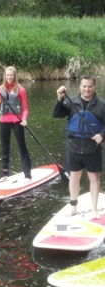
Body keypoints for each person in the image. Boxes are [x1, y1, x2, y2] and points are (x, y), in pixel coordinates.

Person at [53, 74, 105, 219]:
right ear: (80, 86)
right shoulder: (71, 101)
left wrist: (102, 134)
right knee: (74, 176)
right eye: (84, 86)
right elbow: (56, 114)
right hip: (74, 146)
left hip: (92, 147)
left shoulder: (101, 105)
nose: (87, 89)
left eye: (90, 86)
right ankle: (73, 206)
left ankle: (94, 209)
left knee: (94, 177)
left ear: (94, 87)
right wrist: (60, 98)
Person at [0, 66, 32, 183]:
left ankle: (27, 175)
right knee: (5, 148)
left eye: (11, 75)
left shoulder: (21, 90)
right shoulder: (0, 89)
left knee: (22, 147)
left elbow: (25, 109)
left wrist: (24, 119)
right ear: (5, 76)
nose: (9, 77)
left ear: (15, 76)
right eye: (7, 75)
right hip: (4, 122)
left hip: (17, 122)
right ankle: (4, 174)